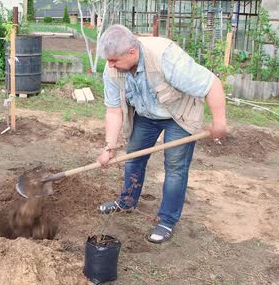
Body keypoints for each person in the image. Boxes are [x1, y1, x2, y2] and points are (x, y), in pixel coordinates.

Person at [96, 24, 227, 244]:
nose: (110, 65)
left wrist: (219, 121)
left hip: (179, 114)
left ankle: (167, 219)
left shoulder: (165, 56)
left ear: (132, 52)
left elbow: (211, 84)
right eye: (108, 60)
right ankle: (127, 202)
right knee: (133, 157)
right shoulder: (112, 69)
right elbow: (113, 111)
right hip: (147, 114)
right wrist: (109, 147)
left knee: (175, 166)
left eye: (114, 60)